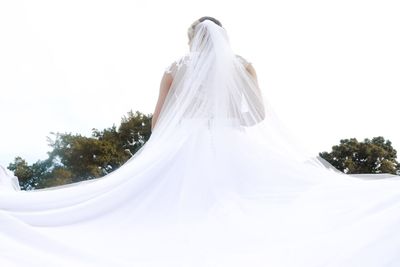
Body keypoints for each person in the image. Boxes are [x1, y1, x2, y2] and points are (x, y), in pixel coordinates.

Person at [1, 16, 400, 267]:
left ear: (192, 40)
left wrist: (185, 128)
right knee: (242, 203)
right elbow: (259, 115)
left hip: (187, 144)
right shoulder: (243, 66)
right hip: (232, 142)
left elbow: (159, 124)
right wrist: (228, 120)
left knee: (176, 206)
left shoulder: (176, 68)